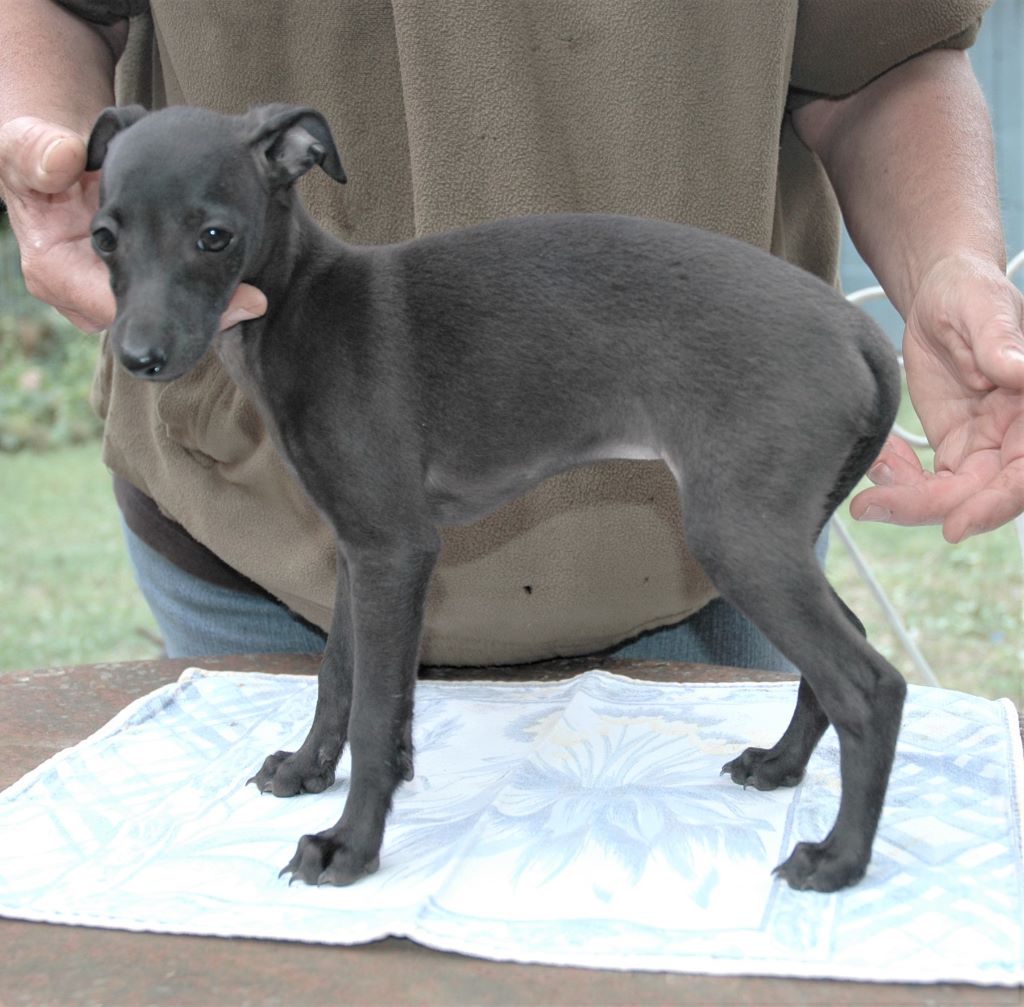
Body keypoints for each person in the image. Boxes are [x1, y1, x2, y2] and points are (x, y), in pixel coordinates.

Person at [1, 1, 1022, 668]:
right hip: (251, 553)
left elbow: (879, 62)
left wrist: (947, 261)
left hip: (705, 570)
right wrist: (47, 138)